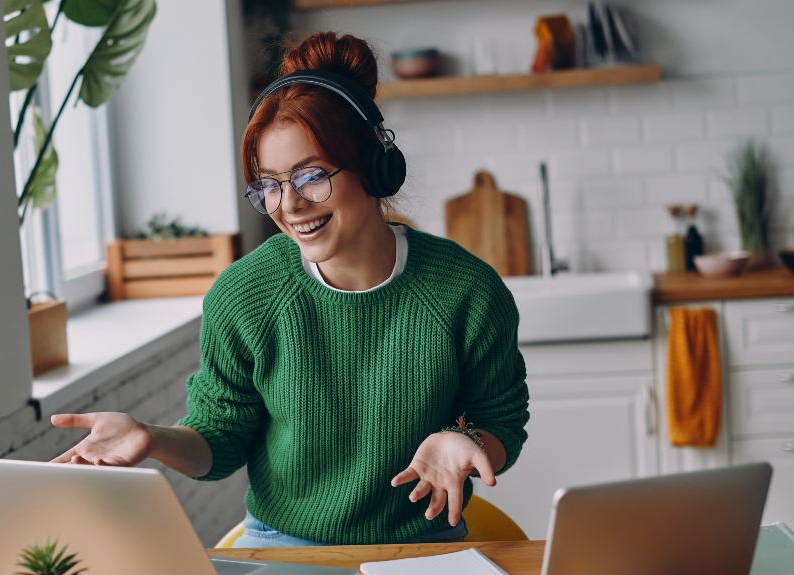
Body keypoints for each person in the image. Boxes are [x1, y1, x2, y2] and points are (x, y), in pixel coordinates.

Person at [50, 32, 529, 547]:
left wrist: (466, 439)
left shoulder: (466, 291)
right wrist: (154, 439)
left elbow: (502, 421)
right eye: (270, 184)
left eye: (311, 176)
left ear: (374, 165)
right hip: (282, 547)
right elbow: (221, 441)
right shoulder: (245, 295)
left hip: (421, 545)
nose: (290, 205)